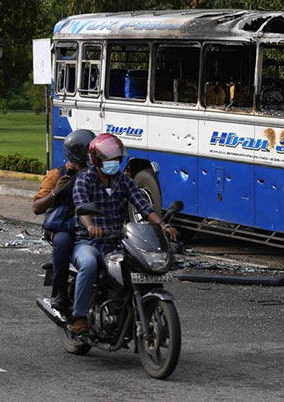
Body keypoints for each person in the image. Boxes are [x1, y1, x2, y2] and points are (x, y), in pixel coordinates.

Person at [71, 133, 177, 334]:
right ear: (96, 160)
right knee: (89, 264)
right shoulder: (84, 180)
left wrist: (163, 225)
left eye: (117, 159)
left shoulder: (124, 181)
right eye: (109, 159)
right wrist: (91, 227)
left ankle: (134, 312)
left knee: (140, 267)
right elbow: (82, 205)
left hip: (118, 241)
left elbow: (144, 206)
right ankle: (80, 316)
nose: (113, 163)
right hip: (89, 242)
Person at [33, 129, 96, 312]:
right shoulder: (56, 175)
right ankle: (60, 293)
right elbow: (37, 207)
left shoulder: (97, 176)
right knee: (62, 242)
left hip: (93, 226)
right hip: (64, 227)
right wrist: (55, 192)